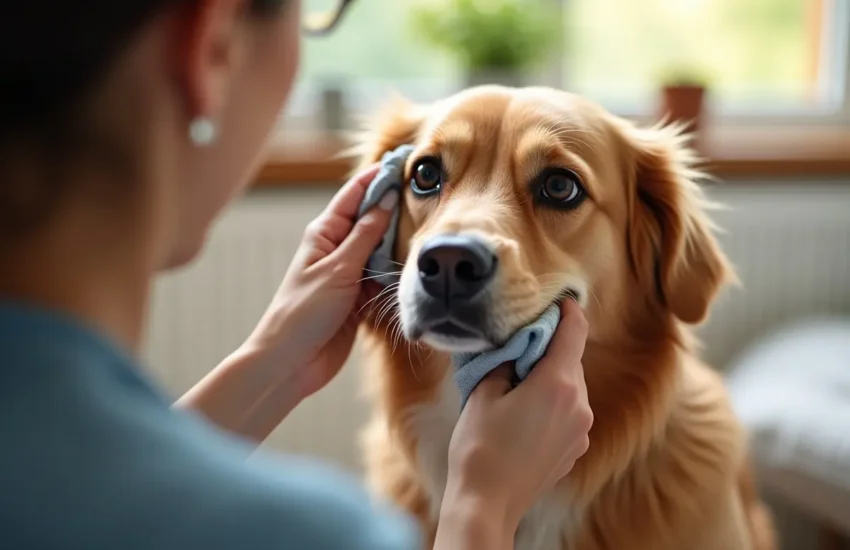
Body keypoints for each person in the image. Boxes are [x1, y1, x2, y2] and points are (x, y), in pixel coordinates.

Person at [0, 1, 593, 549]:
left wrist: (273, 360)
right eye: (309, 11)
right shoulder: (315, 535)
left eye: (559, 187)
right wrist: (482, 508)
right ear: (212, 44)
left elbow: (94, 487)